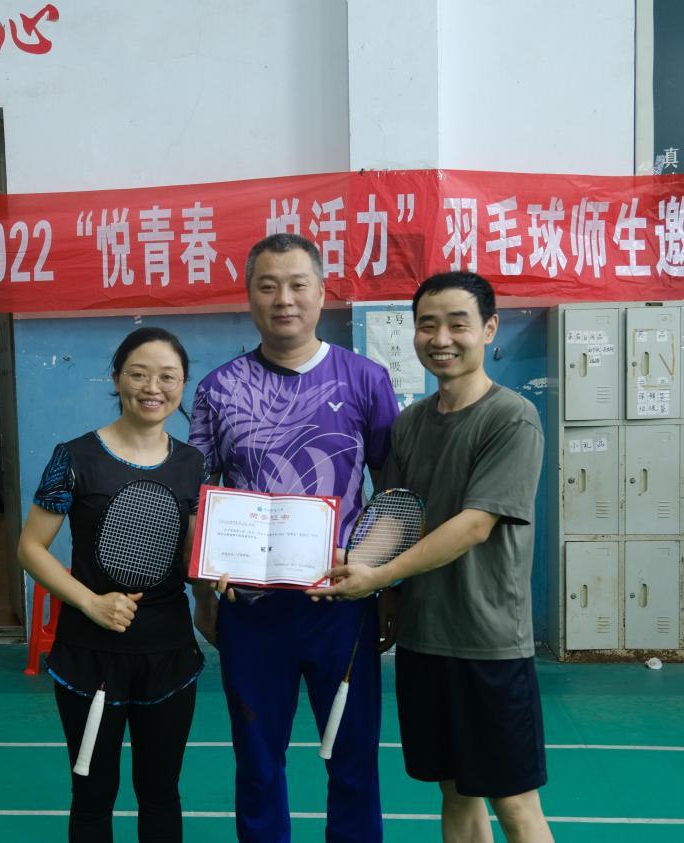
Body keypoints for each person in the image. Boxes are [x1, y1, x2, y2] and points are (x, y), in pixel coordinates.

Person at [314, 271, 554, 843]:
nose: (441, 338)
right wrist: (361, 573)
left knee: (514, 801)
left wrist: (379, 575)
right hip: (424, 639)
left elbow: (474, 525)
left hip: (487, 642)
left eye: (457, 324)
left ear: (488, 329)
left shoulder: (512, 417)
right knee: (454, 792)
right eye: (427, 325)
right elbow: (394, 521)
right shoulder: (411, 423)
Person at [189, 233, 399, 842]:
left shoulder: (365, 379)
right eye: (268, 285)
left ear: (322, 293)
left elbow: (392, 494)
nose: (284, 299)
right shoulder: (218, 389)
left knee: (353, 758)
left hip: (342, 604)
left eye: (297, 284)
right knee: (257, 763)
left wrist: (385, 584)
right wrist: (202, 590)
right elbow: (198, 497)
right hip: (250, 610)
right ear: (249, 295)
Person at [18, 327, 205, 843]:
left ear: (182, 384)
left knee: (161, 793)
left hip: (168, 653)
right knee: (92, 797)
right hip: (90, 654)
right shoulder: (74, 457)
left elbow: (190, 557)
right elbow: (30, 547)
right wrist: (90, 602)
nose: (153, 387)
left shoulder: (192, 463)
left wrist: (224, 572)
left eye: (167, 377)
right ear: (117, 378)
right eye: (139, 374)